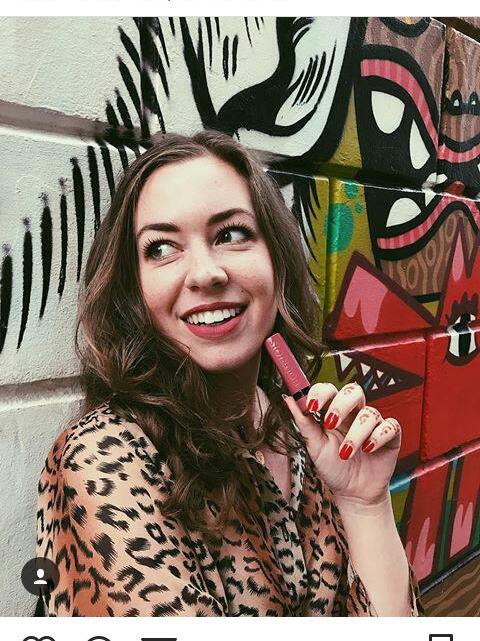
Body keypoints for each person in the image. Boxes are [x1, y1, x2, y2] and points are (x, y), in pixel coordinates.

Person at [36, 130, 423, 617]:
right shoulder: (103, 460)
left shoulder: (300, 430)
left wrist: (365, 504)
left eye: (231, 235)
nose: (206, 274)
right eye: (161, 248)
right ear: (134, 291)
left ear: (276, 260)